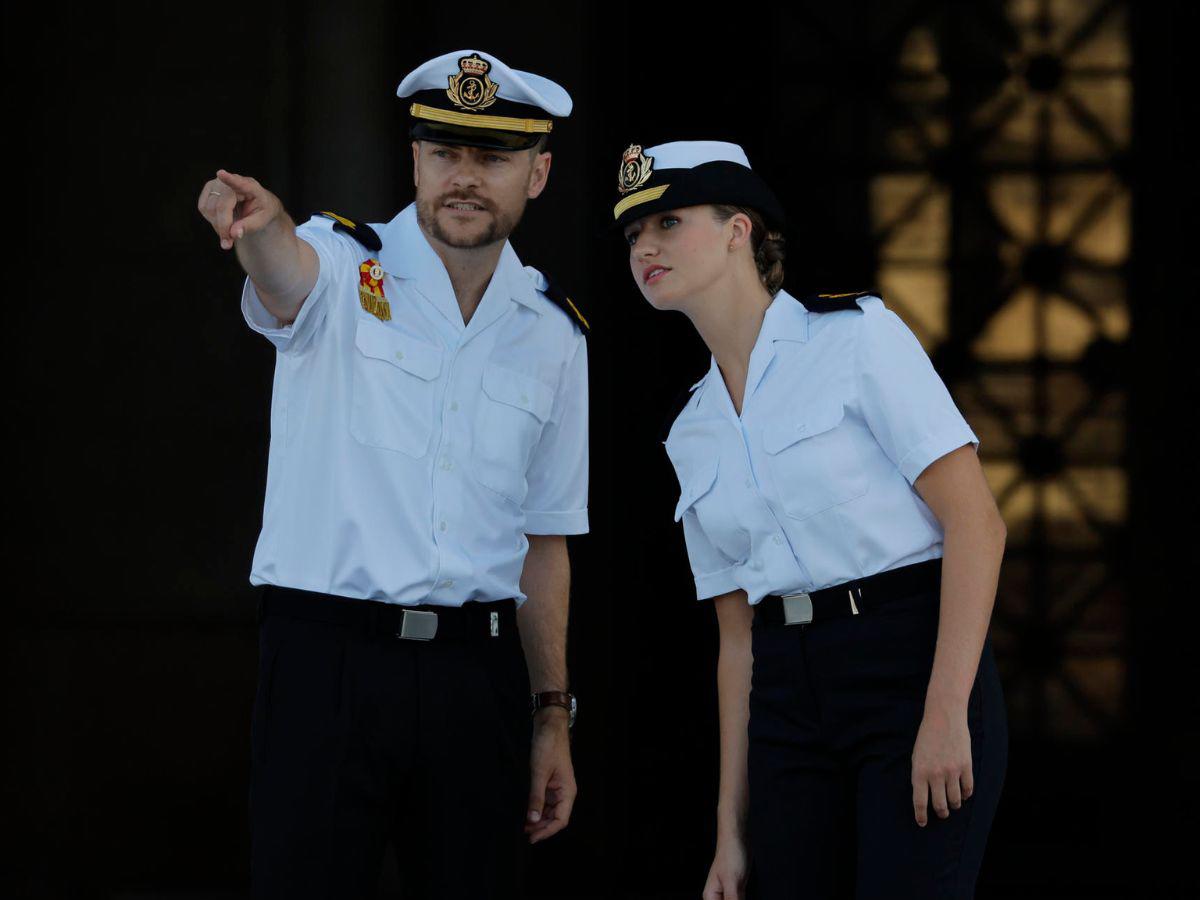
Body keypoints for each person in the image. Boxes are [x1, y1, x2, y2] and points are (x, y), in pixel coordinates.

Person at [196, 49, 588, 899]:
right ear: (415, 161)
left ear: (540, 173)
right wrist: (260, 227)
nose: (465, 178)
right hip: (329, 662)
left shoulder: (554, 331)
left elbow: (545, 539)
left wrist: (551, 711)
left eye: (494, 158)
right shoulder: (343, 261)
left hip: (476, 678)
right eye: (445, 153)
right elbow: (283, 280)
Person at [612, 141, 1007, 899]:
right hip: (787, 697)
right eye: (633, 235)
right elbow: (735, 642)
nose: (645, 247)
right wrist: (729, 830)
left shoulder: (857, 339)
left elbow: (977, 524)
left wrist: (946, 713)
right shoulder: (689, 429)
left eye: (667, 221)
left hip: (909, 663)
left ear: (740, 230)